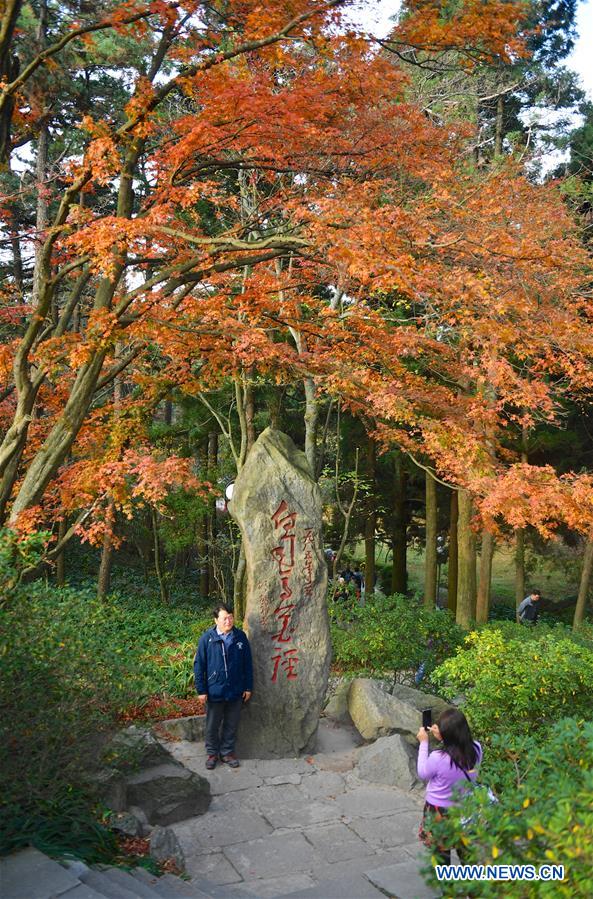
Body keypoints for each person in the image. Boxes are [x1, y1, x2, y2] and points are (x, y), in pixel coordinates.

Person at [416, 708, 483, 864]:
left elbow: (423, 773)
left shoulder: (438, 757)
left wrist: (424, 743)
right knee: (466, 852)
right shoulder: (476, 748)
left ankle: (446, 879)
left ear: (447, 735)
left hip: (439, 811)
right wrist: (442, 734)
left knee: (442, 855)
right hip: (465, 807)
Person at [194, 604, 253, 770]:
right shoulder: (207, 638)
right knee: (212, 725)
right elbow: (199, 665)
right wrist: (201, 690)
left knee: (231, 724)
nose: (228, 621)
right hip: (215, 690)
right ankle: (212, 754)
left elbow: (247, 664)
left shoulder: (240, 637)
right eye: (225, 618)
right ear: (216, 620)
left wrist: (248, 687)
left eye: (231, 617)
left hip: (236, 689)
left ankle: (227, 753)